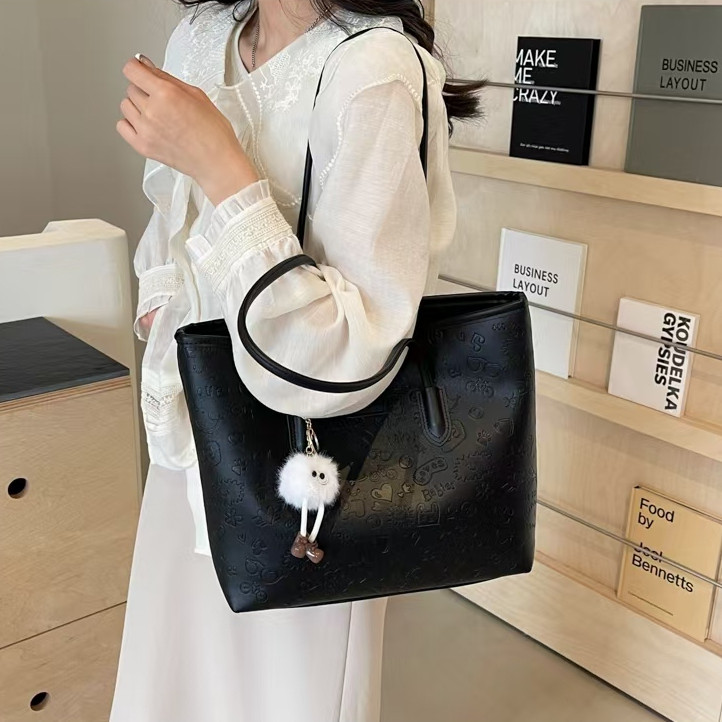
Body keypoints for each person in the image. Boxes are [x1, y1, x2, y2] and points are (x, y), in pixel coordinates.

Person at [112, 1, 482, 720]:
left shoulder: (372, 70)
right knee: (174, 680)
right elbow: (169, 220)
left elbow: (350, 350)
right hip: (192, 443)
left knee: (281, 694)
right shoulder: (201, 37)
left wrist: (221, 165)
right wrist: (164, 300)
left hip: (304, 480)